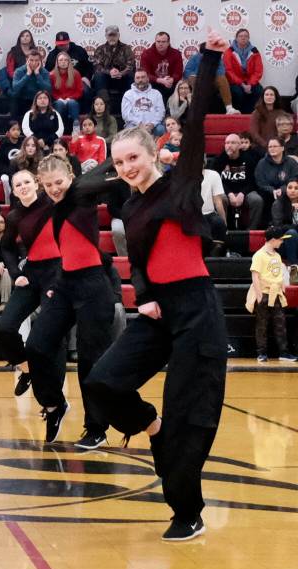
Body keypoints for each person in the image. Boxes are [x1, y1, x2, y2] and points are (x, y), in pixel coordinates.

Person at [84, 33, 229, 542]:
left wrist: (208, 59)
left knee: (191, 416)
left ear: (152, 154)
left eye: (132, 159)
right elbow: (141, 262)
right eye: (118, 163)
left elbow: (196, 124)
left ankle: (186, 510)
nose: (125, 169)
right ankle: (151, 427)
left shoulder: (182, 184)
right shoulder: (129, 206)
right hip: (159, 311)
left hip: (196, 312)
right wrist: (144, 295)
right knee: (102, 382)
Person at [25, 154, 116, 447]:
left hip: (93, 286)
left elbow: (104, 173)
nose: (54, 188)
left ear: (71, 178)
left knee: (90, 361)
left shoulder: (81, 195)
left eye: (59, 182)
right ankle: (54, 405)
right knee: (37, 345)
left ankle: (97, 428)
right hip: (65, 284)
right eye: (48, 184)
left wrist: (118, 157)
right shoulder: (53, 208)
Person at [0, 169, 61, 398]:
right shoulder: (14, 216)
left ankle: (55, 399)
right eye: (18, 185)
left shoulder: (52, 204)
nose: (23, 187)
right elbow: (6, 247)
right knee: (4, 328)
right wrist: (15, 273)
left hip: (55, 273)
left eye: (26, 182)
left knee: (51, 336)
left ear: (36, 183)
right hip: (31, 272)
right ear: (13, 191)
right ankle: (26, 369)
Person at [248, 226, 297, 362]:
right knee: (262, 324)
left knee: (280, 323)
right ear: (274, 240)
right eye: (281, 240)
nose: (282, 242)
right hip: (264, 293)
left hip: (276, 295)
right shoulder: (259, 255)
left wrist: (282, 290)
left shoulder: (277, 255)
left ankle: (284, 352)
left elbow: (279, 274)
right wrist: (259, 296)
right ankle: (261, 352)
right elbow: (255, 277)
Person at [212, 134, 264, 231]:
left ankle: (251, 230)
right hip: (225, 191)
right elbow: (216, 181)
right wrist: (229, 193)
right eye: (227, 143)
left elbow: (252, 181)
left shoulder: (248, 159)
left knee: (257, 200)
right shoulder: (219, 159)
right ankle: (223, 228)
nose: (229, 145)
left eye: (233, 143)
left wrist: (242, 193)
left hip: (245, 190)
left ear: (240, 145)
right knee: (220, 199)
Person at [184, 42, 239, 115]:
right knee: (193, 78)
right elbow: (187, 71)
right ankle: (196, 109)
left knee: (222, 78)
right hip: (198, 79)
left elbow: (221, 71)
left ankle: (229, 108)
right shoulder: (195, 58)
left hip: (212, 80)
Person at [255, 137, 298, 227]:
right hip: (266, 193)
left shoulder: (291, 163)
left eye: (275, 146)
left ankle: (281, 226)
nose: (272, 149)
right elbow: (260, 182)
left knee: (282, 200)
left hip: (287, 193)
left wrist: (282, 189)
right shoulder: (262, 163)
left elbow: (294, 179)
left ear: (282, 148)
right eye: (270, 147)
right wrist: (272, 190)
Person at [225, 29, 263, 114]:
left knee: (259, 91)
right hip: (235, 81)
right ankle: (237, 113)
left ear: (248, 38)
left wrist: (250, 84)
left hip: (250, 81)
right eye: (241, 36)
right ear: (236, 38)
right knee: (237, 92)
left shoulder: (254, 51)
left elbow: (258, 70)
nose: (243, 38)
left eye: (246, 36)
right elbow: (228, 71)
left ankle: (250, 113)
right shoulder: (229, 51)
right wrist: (242, 84)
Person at [91, 25, 134, 96]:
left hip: (122, 77)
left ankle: (129, 101)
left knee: (130, 75)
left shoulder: (126, 48)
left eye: (114, 35)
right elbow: (96, 66)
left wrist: (121, 73)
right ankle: (102, 101)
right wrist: (109, 72)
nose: (112, 38)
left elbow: (131, 65)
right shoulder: (100, 49)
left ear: (118, 35)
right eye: (110, 35)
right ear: (106, 36)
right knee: (98, 75)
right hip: (106, 77)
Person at [141, 32, 184, 103]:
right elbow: (145, 73)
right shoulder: (146, 54)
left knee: (180, 86)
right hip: (153, 83)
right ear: (155, 41)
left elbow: (178, 72)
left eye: (163, 42)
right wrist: (160, 80)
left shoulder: (176, 53)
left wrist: (171, 79)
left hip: (170, 83)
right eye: (158, 41)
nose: (160, 44)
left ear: (168, 43)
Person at [122, 70, 166, 136]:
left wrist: (152, 124)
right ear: (134, 79)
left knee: (161, 129)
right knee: (129, 131)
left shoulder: (156, 93)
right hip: (134, 125)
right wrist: (139, 124)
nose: (140, 80)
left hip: (153, 126)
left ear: (148, 79)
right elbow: (126, 115)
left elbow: (160, 112)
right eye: (138, 78)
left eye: (143, 77)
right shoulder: (128, 94)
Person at [0, 30, 39, 96]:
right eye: (22, 36)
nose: (25, 38)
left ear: (31, 38)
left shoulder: (36, 52)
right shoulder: (13, 52)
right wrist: (22, 79)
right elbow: (10, 72)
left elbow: (39, 68)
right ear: (19, 39)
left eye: (27, 36)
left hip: (32, 81)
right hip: (17, 81)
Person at [10, 50, 51, 121]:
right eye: (31, 60)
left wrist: (38, 74)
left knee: (45, 98)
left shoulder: (44, 72)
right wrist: (27, 75)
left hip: (37, 100)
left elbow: (47, 89)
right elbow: (15, 88)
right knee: (14, 98)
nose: (34, 63)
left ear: (40, 61)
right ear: (27, 60)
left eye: (36, 60)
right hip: (22, 98)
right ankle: (14, 125)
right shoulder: (19, 71)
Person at [50, 52, 84, 131]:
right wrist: (59, 98)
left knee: (72, 103)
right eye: (61, 60)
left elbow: (79, 91)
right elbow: (51, 92)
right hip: (58, 101)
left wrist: (70, 98)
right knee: (59, 104)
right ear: (57, 63)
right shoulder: (52, 75)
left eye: (66, 60)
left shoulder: (76, 74)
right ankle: (58, 128)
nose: (63, 62)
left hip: (72, 100)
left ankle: (76, 127)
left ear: (69, 62)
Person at [270, 178, 298, 264]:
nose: (292, 190)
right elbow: (279, 228)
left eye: (296, 188)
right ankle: (294, 268)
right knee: (291, 233)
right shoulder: (278, 204)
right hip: (283, 242)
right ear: (286, 189)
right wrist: (293, 211)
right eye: (290, 187)